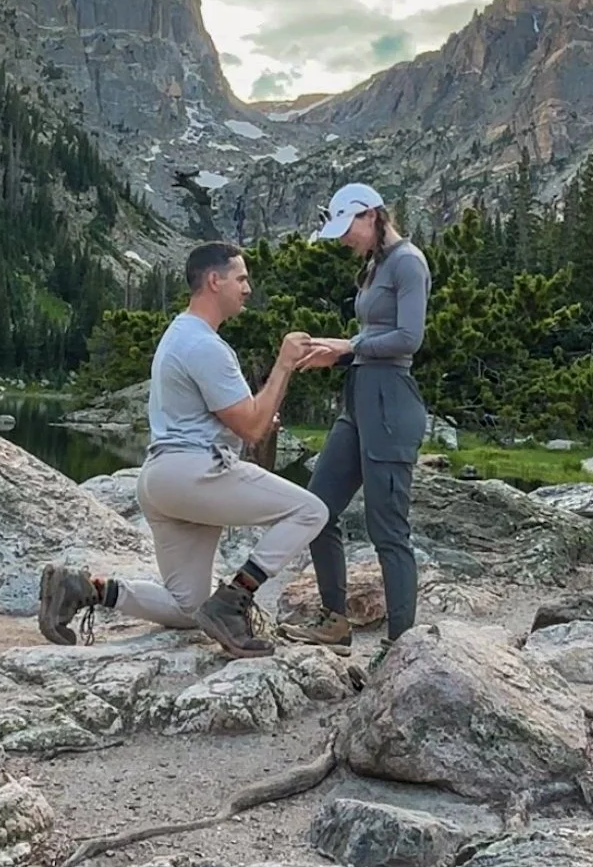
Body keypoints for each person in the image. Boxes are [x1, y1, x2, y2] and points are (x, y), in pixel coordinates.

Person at [37, 241, 326, 658]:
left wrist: (252, 418)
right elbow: (252, 427)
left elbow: (237, 419)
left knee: (190, 608)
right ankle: (234, 599)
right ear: (214, 280)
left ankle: (86, 588)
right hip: (196, 474)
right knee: (310, 510)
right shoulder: (205, 346)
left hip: (160, 480)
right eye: (241, 278)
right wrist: (283, 365)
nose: (247, 288)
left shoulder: (180, 334)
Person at [284, 183, 429, 656]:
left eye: (348, 228)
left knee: (388, 529)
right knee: (316, 509)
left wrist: (349, 347)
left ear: (372, 216)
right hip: (359, 403)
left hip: (390, 405)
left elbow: (408, 338)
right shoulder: (374, 264)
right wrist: (337, 352)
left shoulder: (408, 262)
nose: (344, 238)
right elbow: (369, 337)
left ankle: (401, 644)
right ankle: (334, 620)